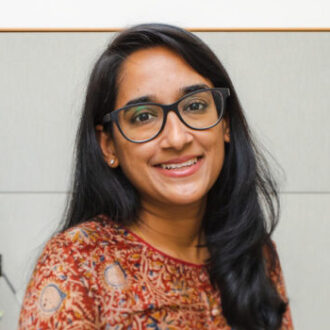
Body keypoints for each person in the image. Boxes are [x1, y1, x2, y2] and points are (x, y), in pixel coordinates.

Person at [19, 23, 293, 329]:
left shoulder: (253, 253)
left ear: (225, 124)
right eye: (144, 116)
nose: (177, 138)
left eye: (195, 105)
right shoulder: (75, 263)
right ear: (108, 145)